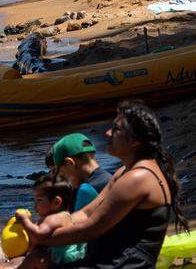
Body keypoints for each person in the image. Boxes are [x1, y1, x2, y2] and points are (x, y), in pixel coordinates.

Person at [14, 101, 182, 269]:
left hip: (123, 265)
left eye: (116, 129)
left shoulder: (138, 177)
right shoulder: (125, 171)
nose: (107, 133)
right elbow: (86, 213)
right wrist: (47, 226)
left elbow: (91, 229)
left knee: (36, 261)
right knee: (37, 258)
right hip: (112, 260)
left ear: (135, 141)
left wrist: (43, 239)